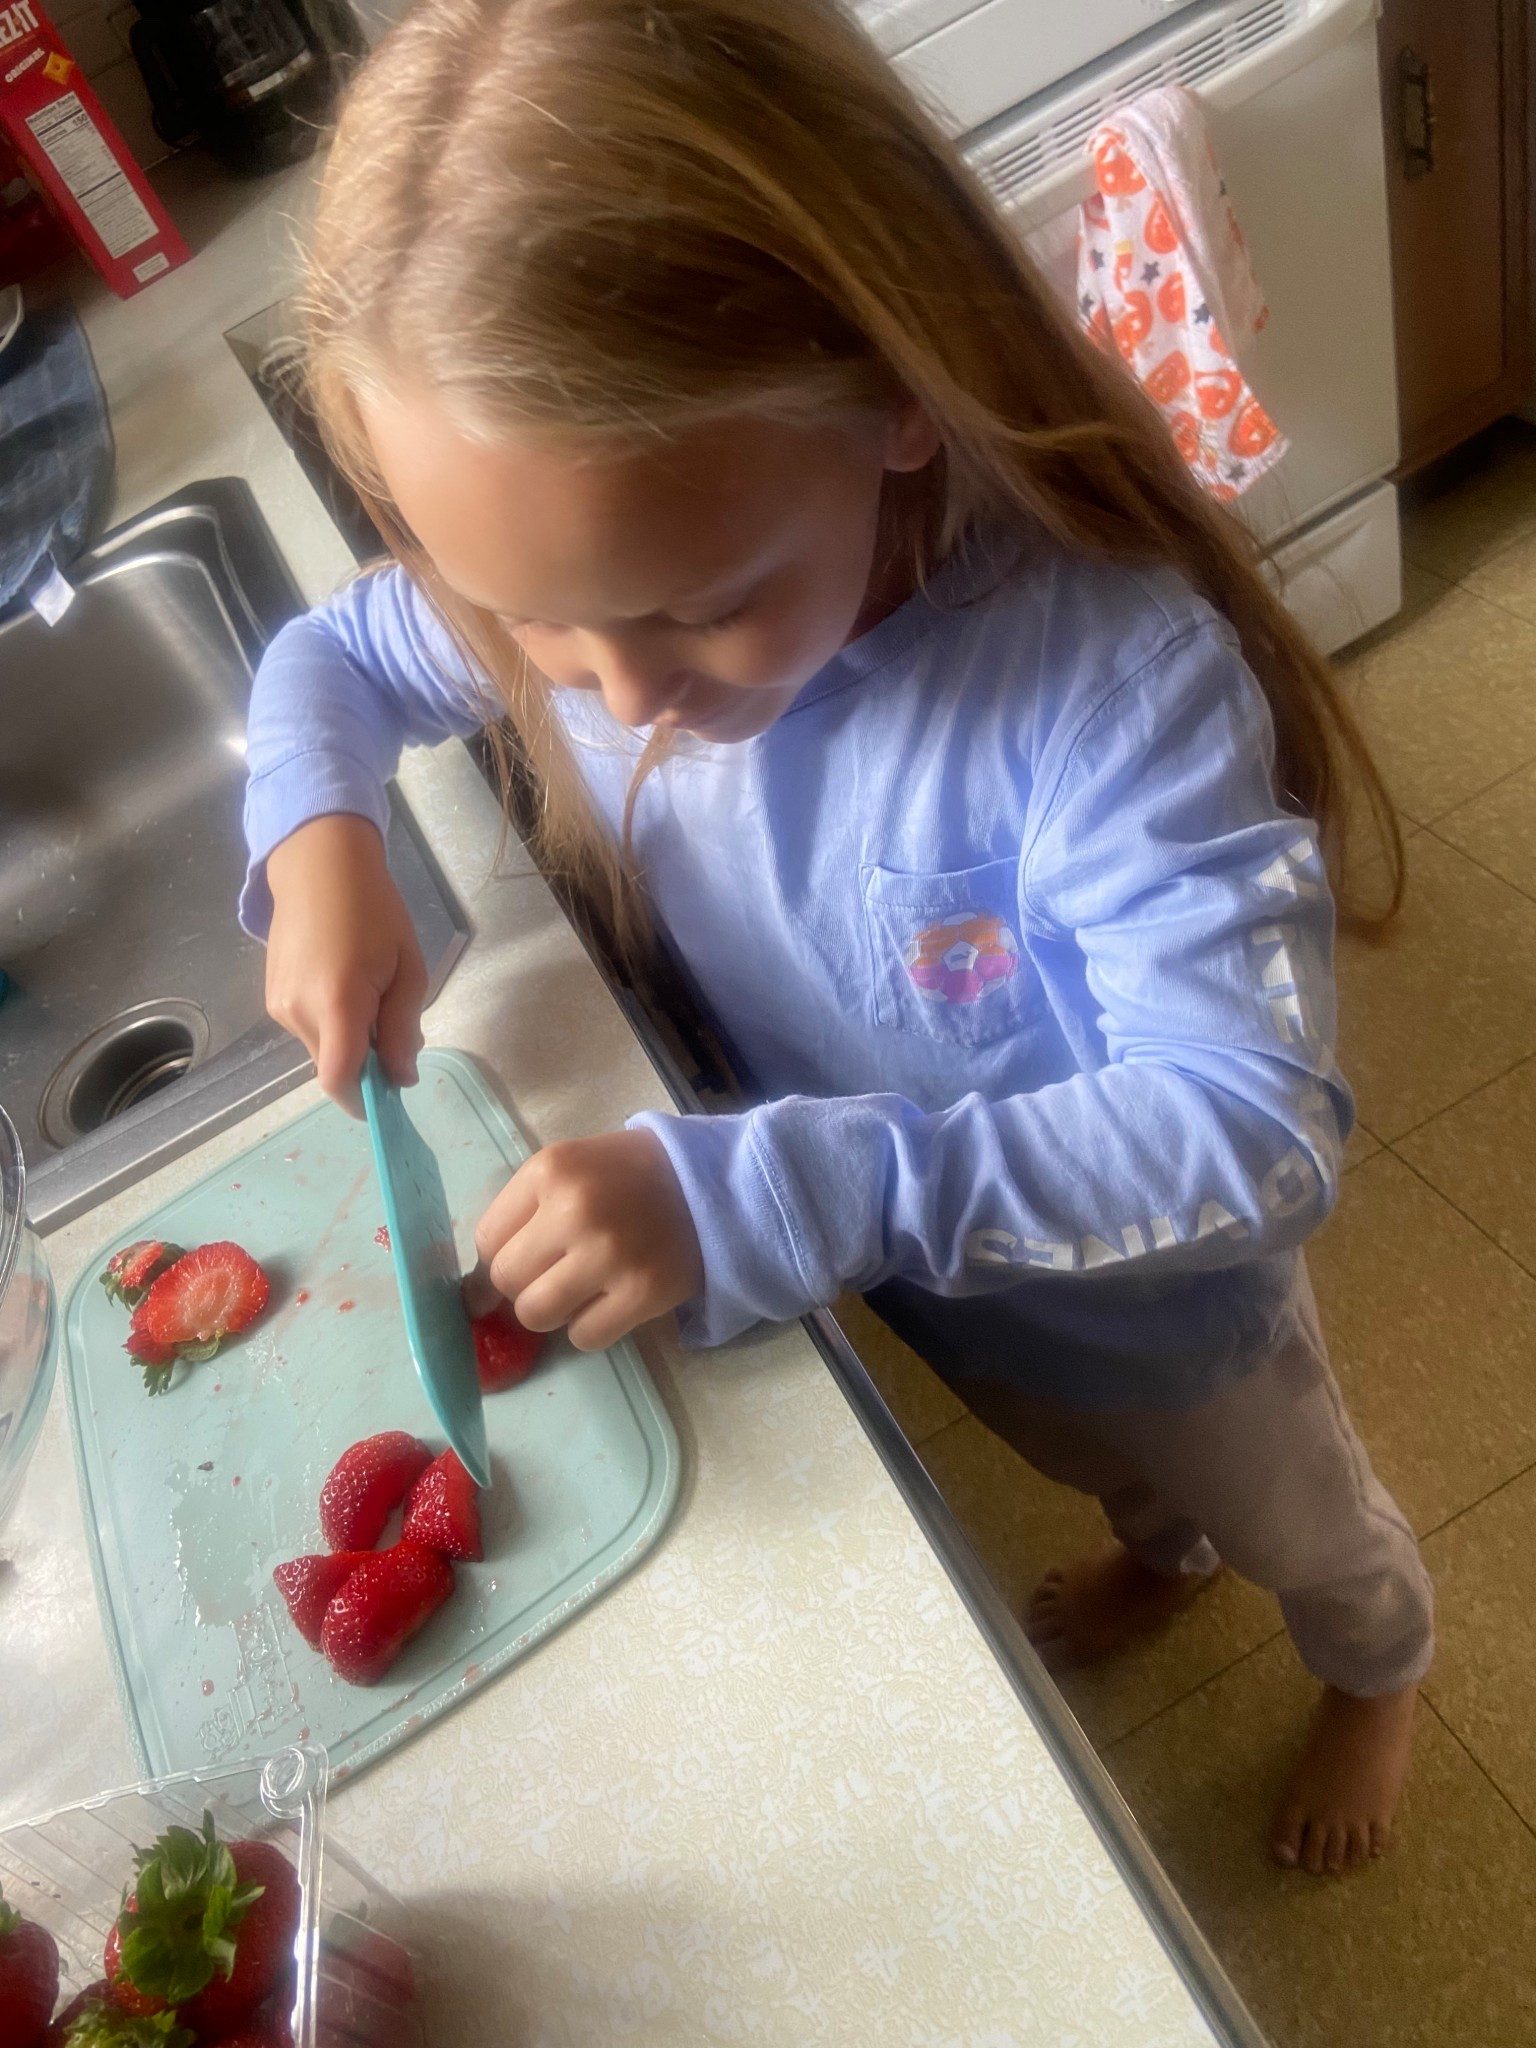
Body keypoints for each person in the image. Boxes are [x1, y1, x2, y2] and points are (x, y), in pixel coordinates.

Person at [243, 0, 1432, 1876]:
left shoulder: (1103, 685)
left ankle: (1378, 1661)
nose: (613, 696)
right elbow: (325, 657)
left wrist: (779, 1197)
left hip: (1167, 1306)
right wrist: (320, 837)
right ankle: (1160, 1546)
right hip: (924, 1260)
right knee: (1098, 1466)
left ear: (897, 388)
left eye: (699, 613)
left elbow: (1255, 1132)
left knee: (1296, 1513)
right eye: (527, 624)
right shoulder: (596, 584)